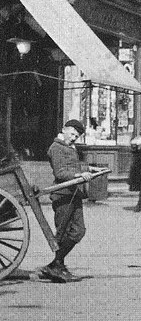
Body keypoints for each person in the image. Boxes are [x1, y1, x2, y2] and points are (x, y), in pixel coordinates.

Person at [41, 119, 92, 283]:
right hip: (62, 195)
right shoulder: (56, 147)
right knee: (62, 232)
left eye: (77, 136)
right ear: (64, 129)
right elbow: (60, 173)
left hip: (74, 194)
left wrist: (89, 170)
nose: (74, 138)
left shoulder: (70, 147)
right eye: (72, 134)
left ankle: (55, 265)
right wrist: (79, 175)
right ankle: (57, 266)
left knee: (79, 230)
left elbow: (73, 167)